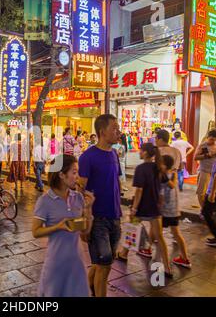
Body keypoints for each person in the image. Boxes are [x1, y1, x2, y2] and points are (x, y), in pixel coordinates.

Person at [32, 154, 95, 297]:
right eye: (74, 172)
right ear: (61, 175)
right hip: (56, 264)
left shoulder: (78, 198)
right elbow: (35, 231)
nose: (78, 176)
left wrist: (88, 208)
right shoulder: (45, 201)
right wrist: (58, 226)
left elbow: (85, 232)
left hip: (77, 264)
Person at [78, 114, 122, 297]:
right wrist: (83, 224)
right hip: (97, 220)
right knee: (103, 267)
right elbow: (80, 191)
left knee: (104, 264)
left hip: (115, 217)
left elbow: (116, 183)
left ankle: (86, 289)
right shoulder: (88, 157)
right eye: (114, 128)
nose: (118, 131)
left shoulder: (114, 154)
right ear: (103, 132)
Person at [116, 143, 173, 277]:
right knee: (160, 237)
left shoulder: (141, 169)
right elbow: (168, 185)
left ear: (146, 153)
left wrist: (134, 208)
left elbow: (139, 190)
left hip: (142, 207)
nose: (139, 153)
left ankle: (124, 254)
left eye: (141, 151)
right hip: (155, 208)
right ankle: (167, 267)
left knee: (132, 230)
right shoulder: (158, 168)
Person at [160, 155, 191, 268]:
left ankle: (149, 251)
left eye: (160, 163)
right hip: (173, 210)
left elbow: (169, 188)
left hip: (166, 211)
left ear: (165, 165)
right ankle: (184, 258)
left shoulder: (167, 176)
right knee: (176, 234)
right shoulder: (173, 174)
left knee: (156, 233)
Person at [194, 130, 216, 209]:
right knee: (201, 192)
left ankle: (209, 210)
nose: (213, 141)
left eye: (215, 140)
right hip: (204, 171)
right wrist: (209, 155)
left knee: (213, 192)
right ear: (207, 137)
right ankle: (203, 209)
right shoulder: (202, 146)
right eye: (211, 139)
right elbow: (196, 157)